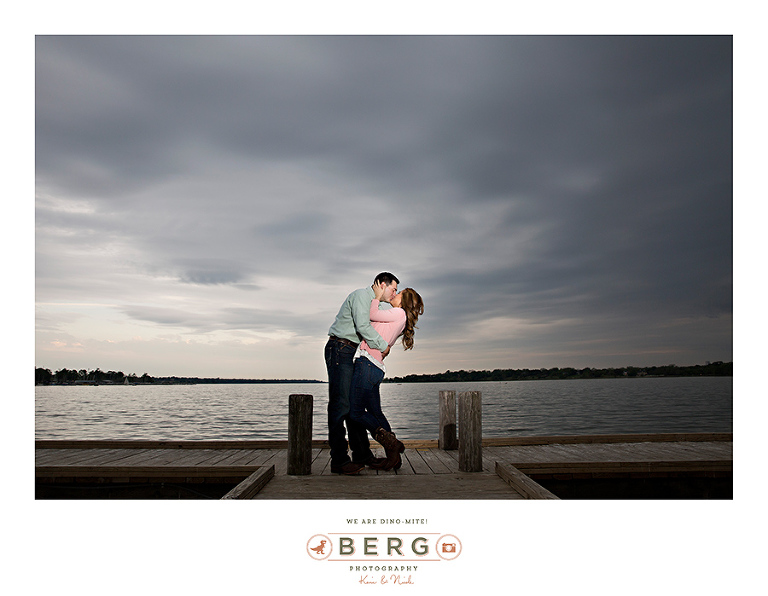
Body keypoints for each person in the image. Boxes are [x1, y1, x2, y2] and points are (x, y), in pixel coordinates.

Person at [325, 272, 399, 475]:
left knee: (353, 406)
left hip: (352, 352)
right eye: (393, 289)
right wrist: (383, 346)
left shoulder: (376, 304)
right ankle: (339, 460)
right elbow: (363, 326)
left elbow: (384, 322)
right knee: (340, 406)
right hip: (340, 348)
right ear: (382, 285)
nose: (394, 294)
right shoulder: (360, 296)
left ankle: (362, 455)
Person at [349, 288, 424, 471]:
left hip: (367, 364)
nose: (395, 295)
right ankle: (393, 458)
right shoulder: (399, 317)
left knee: (355, 412)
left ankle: (393, 444)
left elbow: (372, 314)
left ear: (404, 301)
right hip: (374, 367)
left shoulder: (398, 313)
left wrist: (376, 296)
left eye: (399, 293)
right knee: (376, 413)